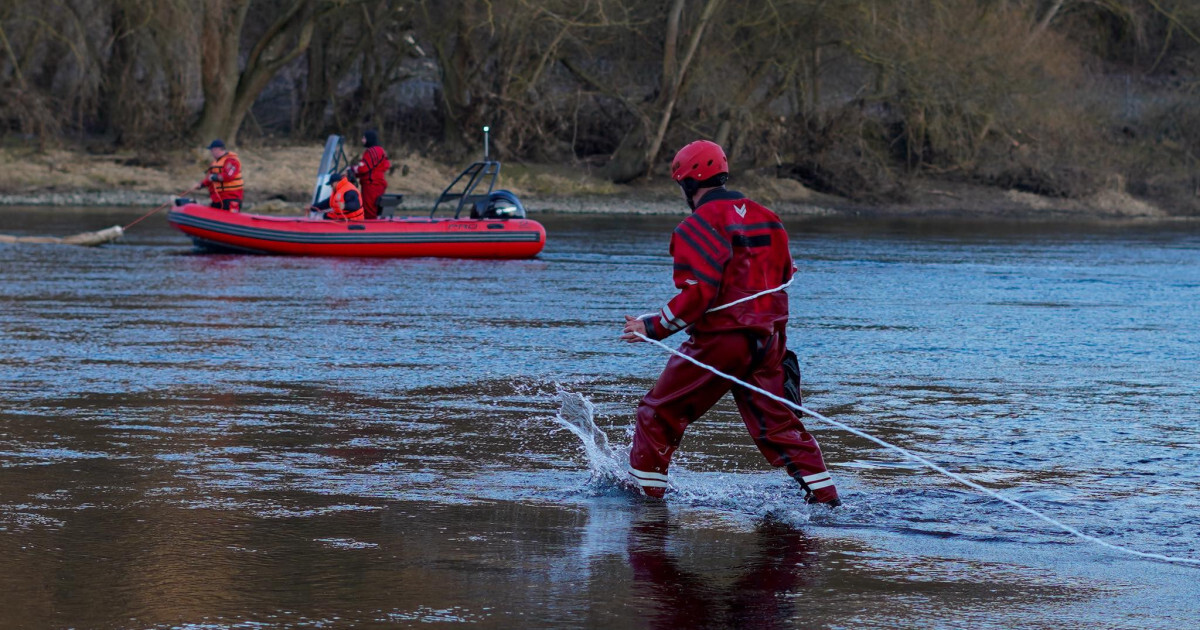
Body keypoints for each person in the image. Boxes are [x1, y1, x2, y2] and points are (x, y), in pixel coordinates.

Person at [619, 139, 840, 507]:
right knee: (780, 428)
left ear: (689, 183)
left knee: (657, 414)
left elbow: (699, 294)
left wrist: (652, 327)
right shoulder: (769, 216)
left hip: (722, 341)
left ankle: (645, 505)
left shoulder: (695, 226)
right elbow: (785, 273)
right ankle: (828, 501)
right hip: (769, 340)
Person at [350, 129, 391, 220]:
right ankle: (375, 222)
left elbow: (363, 168)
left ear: (369, 139)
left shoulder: (371, 151)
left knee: (369, 209)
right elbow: (382, 166)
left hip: (371, 185)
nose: (362, 140)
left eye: (364, 138)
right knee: (374, 208)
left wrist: (352, 169)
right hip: (377, 183)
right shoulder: (380, 151)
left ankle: (370, 225)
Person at [193, 139, 243, 211]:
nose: (211, 153)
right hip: (218, 198)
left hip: (230, 197)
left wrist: (214, 177)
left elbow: (228, 176)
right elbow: (209, 178)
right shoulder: (215, 163)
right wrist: (201, 185)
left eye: (212, 150)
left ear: (216, 149)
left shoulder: (232, 161)